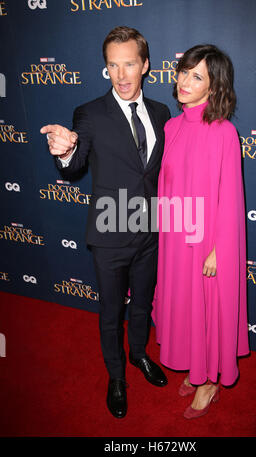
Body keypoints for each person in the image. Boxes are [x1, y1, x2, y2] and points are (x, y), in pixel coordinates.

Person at [40, 26, 170, 419]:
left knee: (142, 304)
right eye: (113, 66)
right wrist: (64, 153)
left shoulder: (163, 113)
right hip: (109, 236)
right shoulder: (90, 113)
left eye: (130, 63)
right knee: (111, 310)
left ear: (145, 65)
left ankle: (139, 355)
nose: (122, 75)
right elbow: (74, 165)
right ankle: (116, 376)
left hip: (149, 233)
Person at [152, 44, 249, 419]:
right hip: (176, 238)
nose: (184, 81)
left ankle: (210, 382)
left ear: (214, 87)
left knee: (207, 310)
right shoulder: (172, 126)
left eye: (197, 76)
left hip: (208, 241)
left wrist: (218, 250)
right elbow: (167, 185)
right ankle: (196, 368)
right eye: (183, 72)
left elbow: (231, 198)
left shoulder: (224, 132)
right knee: (186, 307)